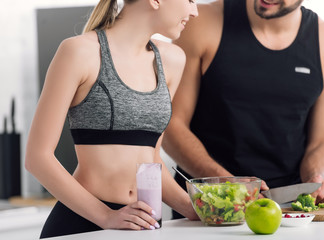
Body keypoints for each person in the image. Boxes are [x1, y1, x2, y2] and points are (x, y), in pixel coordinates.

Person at [25, 0, 198, 238]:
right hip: (84, 223)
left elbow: (151, 160)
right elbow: (37, 158)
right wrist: (106, 216)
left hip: (142, 223)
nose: (194, 10)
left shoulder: (172, 60)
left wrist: (198, 208)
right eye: (189, 0)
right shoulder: (79, 52)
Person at [162, 0, 324, 219]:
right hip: (211, 208)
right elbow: (171, 125)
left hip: (288, 211)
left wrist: (317, 178)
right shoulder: (201, 22)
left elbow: (323, 142)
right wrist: (229, 185)